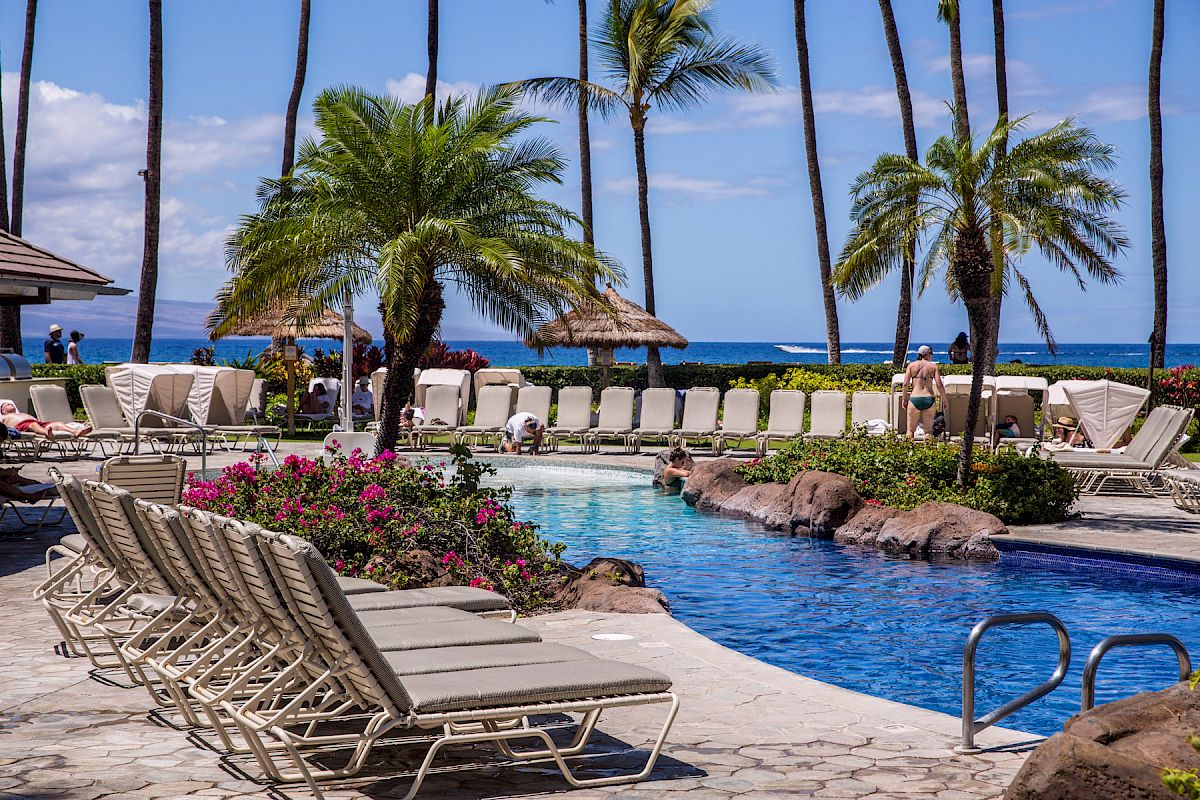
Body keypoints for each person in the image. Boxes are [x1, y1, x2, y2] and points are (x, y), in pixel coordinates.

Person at [902, 345, 946, 439]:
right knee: (928, 431)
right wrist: (945, 399)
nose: (931, 356)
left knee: (910, 430)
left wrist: (904, 399)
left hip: (915, 398)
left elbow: (905, 384)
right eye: (931, 354)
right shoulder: (933, 366)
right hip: (929, 398)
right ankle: (928, 452)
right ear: (927, 354)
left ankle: (906, 451)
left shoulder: (911, 366)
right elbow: (939, 384)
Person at [0, 399, 91, 437]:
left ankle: (75, 432)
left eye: (11, 404)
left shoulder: (21, 413)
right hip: (22, 426)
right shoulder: (4, 417)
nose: (11, 404)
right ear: (3, 411)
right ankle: (46, 433)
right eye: (8, 404)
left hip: (37, 423)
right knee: (33, 424)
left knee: (58, 424)